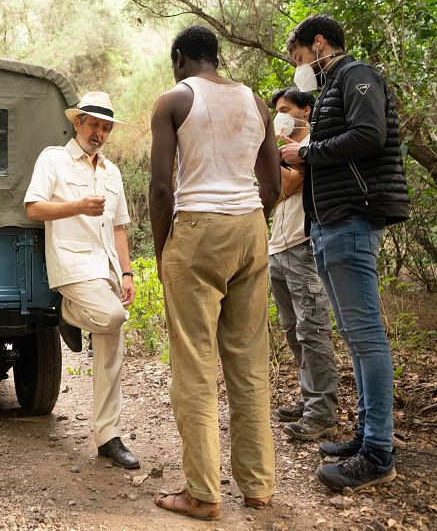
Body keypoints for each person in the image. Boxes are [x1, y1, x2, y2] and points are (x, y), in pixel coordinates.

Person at [149, 26, 280, 520]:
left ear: (180, 58)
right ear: (216, 58)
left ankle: (202, 494)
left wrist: (165, 254)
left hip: (198, 230)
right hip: (250, 228)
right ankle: (259, 487)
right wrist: (250, 225)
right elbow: (271, 183)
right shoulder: (256, 104)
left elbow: (162, 188)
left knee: (195, 364)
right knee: (249, 363)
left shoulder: (174, 101)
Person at [280, 14, 409, 491]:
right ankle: (367, 435)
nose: (299, 69)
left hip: (353, 218)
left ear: (317, 44)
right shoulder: (335, 84)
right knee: (357, 339)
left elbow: (369, 134)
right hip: (332, 223)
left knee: (367, 337)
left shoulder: (356, 75)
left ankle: (378, 453)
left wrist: (307, 152)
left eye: (298, 58)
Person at [24, 91, 139, 469]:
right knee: (112, 317)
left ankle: (109, 436)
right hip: (72, 268)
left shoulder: (112, 172)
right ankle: (67, 313)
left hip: (105, 267)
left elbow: (120, 227)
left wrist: (126, 272)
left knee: (110, 353)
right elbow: (33, 206)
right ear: (78, 123)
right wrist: (76, 206)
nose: (100, 133)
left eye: (106, 128)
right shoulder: (53, 159)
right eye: (94, 125)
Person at [268, 88, 339, 441]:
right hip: (277, 246)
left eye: (286, 110)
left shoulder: (312, 145)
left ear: (305, 111)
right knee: (292, 329)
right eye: (277, 111)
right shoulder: (285, 152)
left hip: (303, 245)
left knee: (312, 329)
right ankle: (308, 397)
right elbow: (272, 194)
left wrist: (275, 150)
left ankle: (322, 411)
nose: (280, 116)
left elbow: (285, 184)